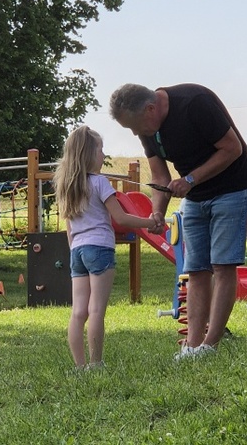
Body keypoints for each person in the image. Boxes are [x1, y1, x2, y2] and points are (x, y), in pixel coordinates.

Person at [109, 82, 247, 359]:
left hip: (232, 188)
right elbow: (160, 177)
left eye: (135, 127)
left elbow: (232, 148)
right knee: (196, 268)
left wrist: (190, 179)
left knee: (223, 265)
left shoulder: (195, 102)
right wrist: (157, 212)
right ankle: (192, 346)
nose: (135, 133)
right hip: (195, 196)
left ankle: (210, 346)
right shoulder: (148, 129)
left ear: (150, 109)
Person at [53, 125, 158, 370]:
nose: (103, 155)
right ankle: (96, 363)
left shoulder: (67, 186)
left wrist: (74, 250)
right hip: (99, 248)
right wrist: (150, 222)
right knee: (97, 309)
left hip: (77, 251)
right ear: (89, 154)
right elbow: (120, 218)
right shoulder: (100, 182)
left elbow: (69, 227)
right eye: (101, 150)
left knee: (78, 312)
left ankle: (79, 366)